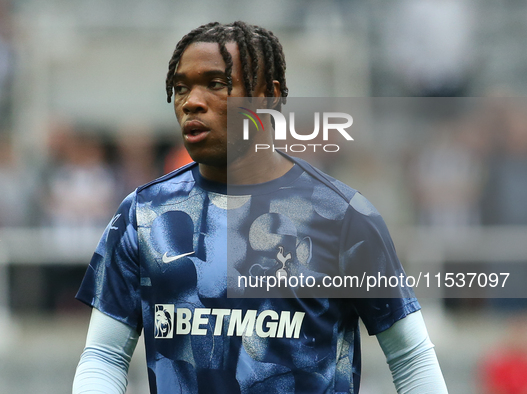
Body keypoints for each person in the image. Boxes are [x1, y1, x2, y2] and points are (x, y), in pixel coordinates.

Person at [73, 21, 448, 393]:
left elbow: (411, 358)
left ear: (266, 96)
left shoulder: (343, 216)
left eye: (216, 84)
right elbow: (105, 356)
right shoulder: (143, 214)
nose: (191, 101)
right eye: (180, 88)